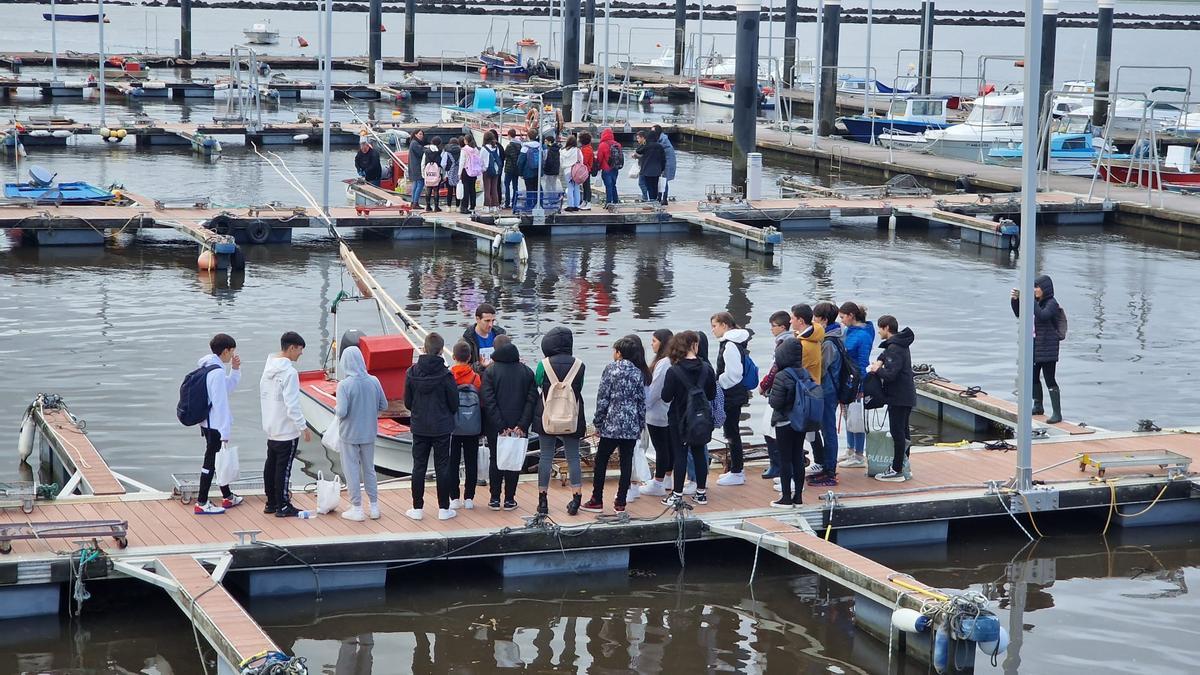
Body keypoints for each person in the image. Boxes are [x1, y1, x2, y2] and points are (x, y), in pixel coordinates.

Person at [583, 335, 650, 513]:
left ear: (619, 353)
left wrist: (598, 422)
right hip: (630, 425)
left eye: (614, 351)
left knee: (601, 460)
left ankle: (596, 499)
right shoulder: (637, 373)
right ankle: (621, 502)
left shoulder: (610, 370)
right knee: (626, 462)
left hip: (611, 425)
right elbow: (641, 401)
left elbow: (603, 398)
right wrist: (640, 423)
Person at [403, 333, 460, 520]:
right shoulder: (446, 374)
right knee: (443, 466)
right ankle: (444, 508)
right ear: (441, 351)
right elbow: (454, 402)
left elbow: (408, 402)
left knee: (418, 466)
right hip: (442, 426)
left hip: (419, 425)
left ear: (424, 348)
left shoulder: (411, 372)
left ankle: (417, 508)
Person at [533, 327, 587, 516]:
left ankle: (543, 500)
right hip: (572, 415)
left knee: (546, 456)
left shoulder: (543, 364)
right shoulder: (579, 365)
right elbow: (579, 387)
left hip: (547, 415)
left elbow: (538, 383)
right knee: (573, 457)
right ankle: (576, 498)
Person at [659, 331, 717, 507]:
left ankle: (677, 495)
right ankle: (701, 493)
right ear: (694, 345)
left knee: (680, 454)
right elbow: (712, 394)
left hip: (679, 418)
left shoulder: (674, 371)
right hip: (701, 418)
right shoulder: (707, 369)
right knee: (700, 452)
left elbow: (666, 397)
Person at [480, 335, 537, 510]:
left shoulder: (490, 371)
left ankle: (495, 498)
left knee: (496, 458)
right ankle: (510, 499)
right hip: (520, 424)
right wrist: (522, 425)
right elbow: (532, 400)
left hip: (496, 426)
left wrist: (501, 426)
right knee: (514, 459)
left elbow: (489, 401)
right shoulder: (526, 371)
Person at [259, 331, 310, 518]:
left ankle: (271, 502)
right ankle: (283, 505)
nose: (301, 354)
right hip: (287, 430)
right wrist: (302, 426)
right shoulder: (289, 372)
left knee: (271, 465)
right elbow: (292, 404)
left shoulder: (268, 367)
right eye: (299, 350)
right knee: (283, 468)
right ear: (291, 348)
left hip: (271, 426)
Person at [334, 346, 388, 521]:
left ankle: (356, 507)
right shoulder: (374, 381)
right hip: (369, 432)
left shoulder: (344, 385)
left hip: (349, 434)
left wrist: (335, 407)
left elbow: (341, 412)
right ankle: (374, 507)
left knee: (352, 470)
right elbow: (384, 406)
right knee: (369, 469)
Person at [194, 333, 242, 515]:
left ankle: (227, 496)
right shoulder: (217, 371)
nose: (233, 355)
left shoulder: (210, 367)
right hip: (215, 425)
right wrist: (225, 432)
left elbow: (225, 388)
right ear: (225, 351)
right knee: (211, 462)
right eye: (232, 351)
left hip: (206, 423)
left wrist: (235, 370)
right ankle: (202, 501)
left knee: (217, 459)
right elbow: (220, 403)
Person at [868, 315, 916, 482]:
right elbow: (886, 355)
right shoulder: (900, 344)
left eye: (880, 328)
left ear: (887, 328)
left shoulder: (895, 348)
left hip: (899, 396)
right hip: (906, 394)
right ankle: (904, 464)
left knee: (897, 432)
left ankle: (896, 470)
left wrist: (875, 370)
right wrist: (881, 360)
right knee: (904, 431)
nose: (879, 332)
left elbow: (890, 375)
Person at [1011, 275, 1064, 423]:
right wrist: (1016, 300)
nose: (1034, 290)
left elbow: (1043, 316)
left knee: (1049, 379)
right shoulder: (1036, 302)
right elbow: (1019, 314)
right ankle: (1038, 405)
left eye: (1037, 287)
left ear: (1044, 289)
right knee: (1033, 377)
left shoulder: (1051, 303)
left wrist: (1031, 300)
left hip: (1048, 348)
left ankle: (1057, 413)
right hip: (1035, 345)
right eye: (1033, 287)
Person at [767, 336, 810, 508]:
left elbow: (775, 402)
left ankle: (785, 497)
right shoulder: (804, 372)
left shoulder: (782, 375)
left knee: (785, 460)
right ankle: (798, 497)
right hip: (800, 421)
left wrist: (770, 395)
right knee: (798, 457)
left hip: (784, 422)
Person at [711, 312, 751, 486]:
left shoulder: (730, 345)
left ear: (725, 325)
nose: (713, 330)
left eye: (714, 326)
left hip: (731, 395)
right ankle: (736, 469)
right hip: (735, 394)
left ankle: (737, 471)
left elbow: (734, 373)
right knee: (732, 431)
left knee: (732, 432)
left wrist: (718, 384)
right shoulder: (735, 343)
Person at [756, 311, 793, 480]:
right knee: (772, 429)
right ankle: (778, 465)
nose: (771, 329)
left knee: (770, 428)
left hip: (778, 390)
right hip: (782, 389)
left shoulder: (783, 343)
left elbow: (775, 368)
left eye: (773, 326)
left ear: (782, 327)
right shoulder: (790, 340)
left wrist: (764, 385)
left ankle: (777, 466)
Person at [809, 302, 843, 487]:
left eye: (816, 319)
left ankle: (830, 471)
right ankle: (825, 466)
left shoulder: (829, 342)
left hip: (828, 392)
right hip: (827, 390)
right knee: (824, 428)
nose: (814, 322)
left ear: (824, 320)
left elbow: (820, 368)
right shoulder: (833, 336)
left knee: (829, 430)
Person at [837, 301, 874, 469]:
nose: (842, 320)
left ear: (851, 316)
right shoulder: (849, 331)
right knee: (847, 415)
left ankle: (859, 454)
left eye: (843, 317)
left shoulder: (864, 335)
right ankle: (850, 449)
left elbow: (862, 361)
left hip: (857, 380)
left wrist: (860, 386)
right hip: (846, 379)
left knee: (856, 417)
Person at [790, 303, 826, 473]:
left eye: (792, 318)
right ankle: (819, 460)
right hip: (811, 388)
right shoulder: (809, 338)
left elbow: (794, 367)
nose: (790, 321)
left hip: (807, 391)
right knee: (811, 429)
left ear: (801, 320)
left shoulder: (805, 345)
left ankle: (819, 461)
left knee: (809, 429)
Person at [448, 341, 481, 510]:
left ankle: (454, 497)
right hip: (472, 426)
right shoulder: (476, 378)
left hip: (453, 426)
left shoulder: (449, 377)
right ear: (469, 357)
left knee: (452, 461)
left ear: (453, 357)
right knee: (471, 461)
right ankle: (469, 497)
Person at [640, 328, 674, 496]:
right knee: (667, 446)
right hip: (666, 411)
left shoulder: (664, 363)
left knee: (661, 447)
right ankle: (667, 477)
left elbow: (655, 389)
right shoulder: (672, 360)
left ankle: (658, 482)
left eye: (654, 341)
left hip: (657, 412)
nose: (651, 344)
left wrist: (643, 405)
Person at [461, 302, 505, 372]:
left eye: (493, 321)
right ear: (477, 319)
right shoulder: (467, 340)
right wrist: (481, 366)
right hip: (479, 378)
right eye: (487, 321)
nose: (490, 324)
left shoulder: (500, 335)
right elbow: (462, 368)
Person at [635, 130, 666, 202]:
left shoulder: (646, 146)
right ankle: (655, 200)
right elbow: (663, 159)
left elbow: (638, 151)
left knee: (649, 187)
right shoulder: (660, 146)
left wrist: (644, 143)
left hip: (647, 170)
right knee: (655, 186)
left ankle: (651, 201)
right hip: (657, 170)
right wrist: (662, 169)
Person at [653, 124, 677, 204]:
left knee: (664, 180)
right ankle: (659, 197)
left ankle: (664, 198)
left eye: (653, 130)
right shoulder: (660, 138)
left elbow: (657, 148)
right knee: (661, 180)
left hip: (667, 162)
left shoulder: (663, 140)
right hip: (663, 161)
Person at [597, 128, 621, 205]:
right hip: (615, 168)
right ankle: (615, 201)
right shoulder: (617, 144)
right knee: (613, 185)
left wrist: (597, 167)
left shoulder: (602, 145)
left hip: (606, 168)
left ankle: (608, 202)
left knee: (608, 186)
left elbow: (599, 158)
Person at [516, 135, 541, 209]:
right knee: (537, 188)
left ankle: (529, 204)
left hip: (527, 172)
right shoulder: (539, 147)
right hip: (537, 171)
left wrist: (520, 173)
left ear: (528, 137)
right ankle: (538, 204)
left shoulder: (525, 148)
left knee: (529, 188)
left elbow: (520, 161)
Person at [482, 130, 503, 215]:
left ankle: (487, 207)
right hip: (496, 170)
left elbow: (481, 160)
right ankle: (496, 206)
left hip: (487, 170)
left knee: (487, 189)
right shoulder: (496, 147)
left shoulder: (484, 148)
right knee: (494, 188)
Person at [460, 134, 482, 214]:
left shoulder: (464, 150)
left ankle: (464, 207)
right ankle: (473, 205)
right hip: (474, 171)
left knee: (466, 189)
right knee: (472, 189)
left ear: (466, 141)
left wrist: (459, 173)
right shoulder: (475, 149)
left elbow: (462, 162)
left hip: (466, 171)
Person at [502, 129, 523, 210]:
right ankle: (514, 201)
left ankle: (507, 203)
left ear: (509, 135)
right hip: (516, 169)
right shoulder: (519, 145)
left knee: (507, 184)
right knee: (515, 186)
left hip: (509, 168)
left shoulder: (509, 146)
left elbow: (505, 155)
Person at [560, 134, 582, 211]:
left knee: (570, 188)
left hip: (567, 171)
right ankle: (577, 205)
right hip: (576, 171)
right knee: (576, 187)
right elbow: (581, 160)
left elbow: (561, 162)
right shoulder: (578, 150)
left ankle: (570, 205)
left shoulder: (562, 151)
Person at [422, 135, 444, 212]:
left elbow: (423, 163)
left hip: (428, 172)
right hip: (437, 172)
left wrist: (423, 173)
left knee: (428, 189)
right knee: (436, 190)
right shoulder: (440, 151)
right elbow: (442, 163)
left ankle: (428, 206)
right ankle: (436, 207)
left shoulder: (426, 151)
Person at [440, 135, 461, 210]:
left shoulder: (447, 152)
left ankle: (448, 207)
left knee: (450, 190)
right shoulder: (461, 151)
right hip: (459, 174)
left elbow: (443, 163)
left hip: (449, 173)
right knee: (457, 190)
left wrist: (446, 169)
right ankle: (458, 207)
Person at [407, 130, 426, 208]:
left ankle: (413, 202)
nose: (421, 136)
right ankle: (415, 202)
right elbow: (421, 152)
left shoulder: (413, 143)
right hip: (417, 167)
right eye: (420, 134)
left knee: (415, 185)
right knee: (420, 184)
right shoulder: (415, 143)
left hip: (413, 167)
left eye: (422, 134)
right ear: (415, 134)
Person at [578, 131, 595, 210]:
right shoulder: (585, 148)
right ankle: (584, 201)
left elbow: (584, 161)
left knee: (587, 186)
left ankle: (588, 202)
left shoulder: (587, 149)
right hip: (584, 169)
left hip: (586, 169)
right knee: (584, 186)